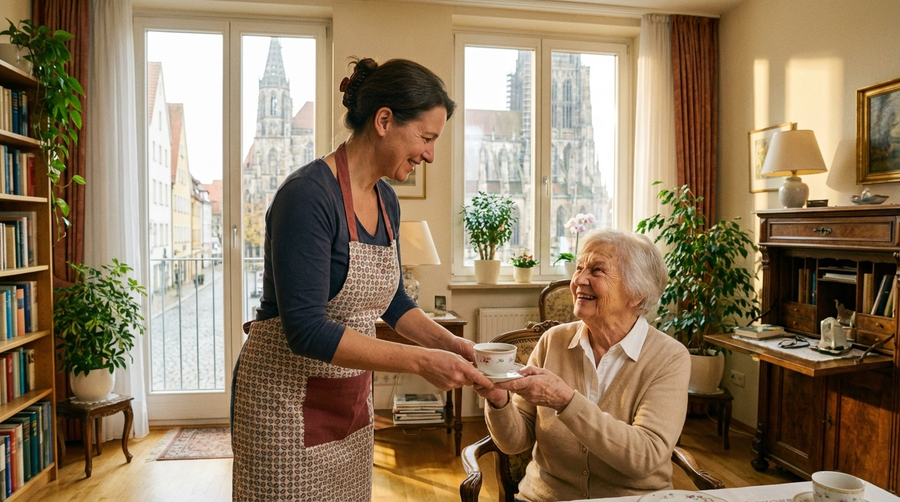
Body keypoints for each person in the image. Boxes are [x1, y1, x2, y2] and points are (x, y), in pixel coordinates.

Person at [232, 57, 493, 501]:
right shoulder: (308, 197)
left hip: (346, 402)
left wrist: (452, 345)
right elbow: (306, 330)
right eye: (426, 138)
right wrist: (420, 362)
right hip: (282, 405)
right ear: (385, 120)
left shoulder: (387, 201)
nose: (430, 153)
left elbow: (392, 299)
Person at [474, 228, 691, 502]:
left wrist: (566, 401)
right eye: (579, 268)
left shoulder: (668, 357)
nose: (578, 280)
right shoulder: (554, 341)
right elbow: (514, 442)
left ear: (636, 294)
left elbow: (645, 457)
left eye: (597, 271)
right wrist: (498, 401)